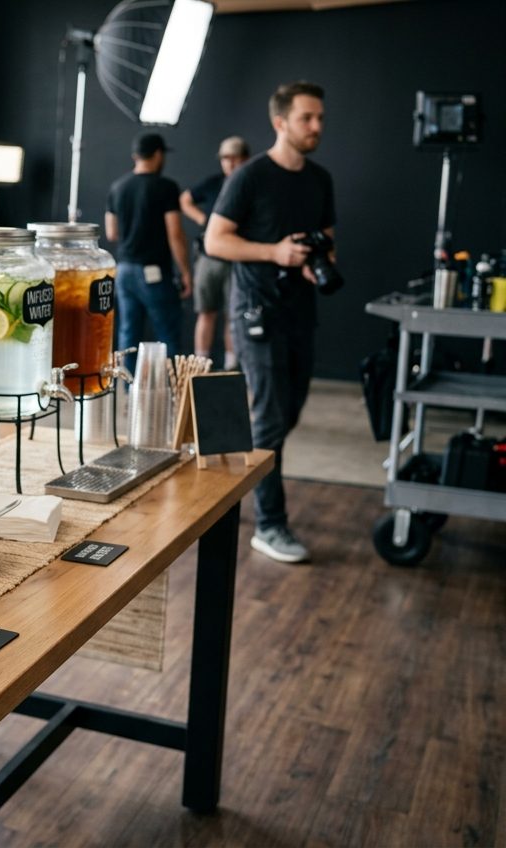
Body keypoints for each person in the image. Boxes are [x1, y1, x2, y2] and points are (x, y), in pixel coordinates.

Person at [204, 81, 335, 564]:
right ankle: (270, 524)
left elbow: (328, 239)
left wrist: (311, 259)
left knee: (287, 412)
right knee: (272, 419)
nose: (317, 126)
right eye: (307, 118)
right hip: (256, 312)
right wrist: (274, 252)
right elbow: (215, 241)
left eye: (320, 117)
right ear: (280, 122)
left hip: (301, 311)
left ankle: (223, 478)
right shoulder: (250, 177)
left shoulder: (320, 179)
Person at [105, 132, 193, 373]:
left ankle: (129, 392)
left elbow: (111, 232)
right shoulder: (165, 187)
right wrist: (186, 272)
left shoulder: (118, 187)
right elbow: (175, 233)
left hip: (123, 270)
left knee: (128, 333)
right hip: (153, 272)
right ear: (158, 154)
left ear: (136, 156)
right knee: (168, 333)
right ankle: (175, 391)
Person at [181, 136, 250, 370]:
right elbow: (185, 199)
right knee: (206, 311)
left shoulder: (249, 185)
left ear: (245, 159)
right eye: (226, 159)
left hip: (237, 258)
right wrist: (204, 220)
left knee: (233, 315)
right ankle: (200, 363)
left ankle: (231, 366)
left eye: (235, 159)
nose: (230, 164)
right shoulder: (213, 183)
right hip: (210, 258)